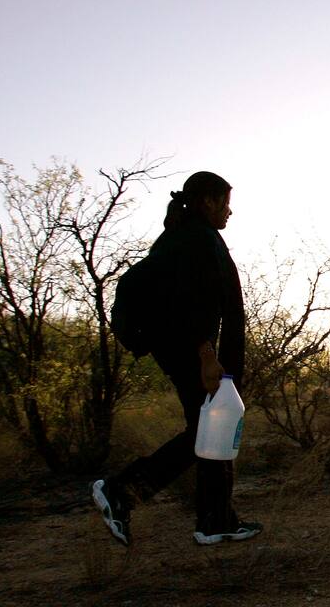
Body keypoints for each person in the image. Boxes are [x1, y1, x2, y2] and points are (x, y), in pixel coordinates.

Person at [91, 171, 262, 547]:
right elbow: (188, 302)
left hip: (186, 349)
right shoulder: (195, 238)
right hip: (190, 351)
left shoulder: (187, 236)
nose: (230, 211)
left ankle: (216, 520)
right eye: (226, 203)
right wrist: (206, 354)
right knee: (206, 431)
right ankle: (122, 492)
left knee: (212, 428)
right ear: (208, 201)